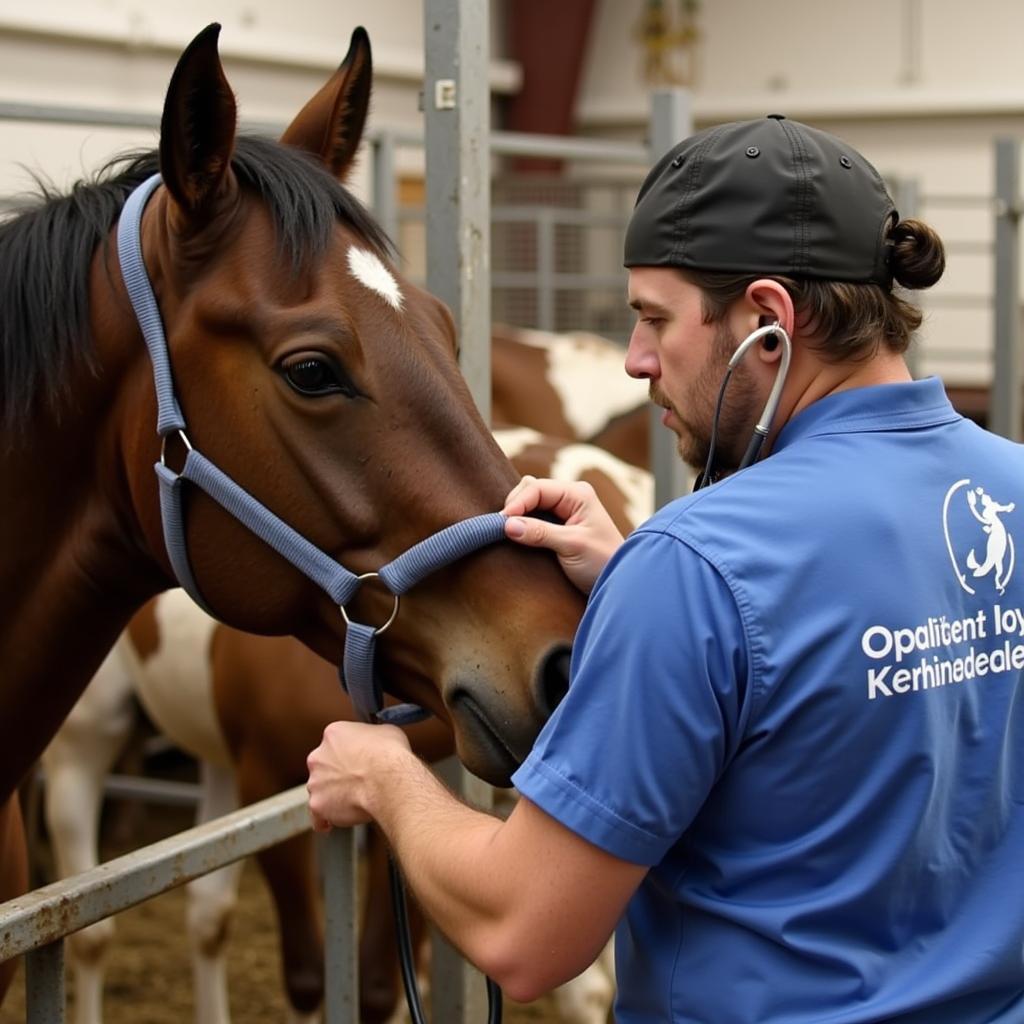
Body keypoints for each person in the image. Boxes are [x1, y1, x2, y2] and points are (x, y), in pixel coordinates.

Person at [307, 115, 1024, 1022]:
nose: (637, 361)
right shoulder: (1015, 488)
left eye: (653, 319)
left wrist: (386, 780)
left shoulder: (696, 565)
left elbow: (526, 934)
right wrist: (634, 584)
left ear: (767, 321)